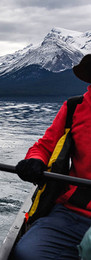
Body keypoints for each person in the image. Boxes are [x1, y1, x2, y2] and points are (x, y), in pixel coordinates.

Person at [13, 54, 91, 260]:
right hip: (71, 214)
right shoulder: (74, 108)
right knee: (27, 253)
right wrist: (35, 160)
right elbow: (45, 146)